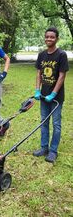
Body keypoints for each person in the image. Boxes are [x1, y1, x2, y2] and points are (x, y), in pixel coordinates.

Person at [32, 27, 69, 163]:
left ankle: (53, 151)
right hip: (43, 96)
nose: (49, 39)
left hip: (56, 98)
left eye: (52, 37)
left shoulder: (61, 55)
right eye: (47, 36)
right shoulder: (42, 55)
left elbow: (62, 75)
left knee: (56, 124)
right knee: (44, 122)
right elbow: (38, 73)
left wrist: (54, 93)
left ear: (57, 39)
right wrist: (37, 90)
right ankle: (44, 148)